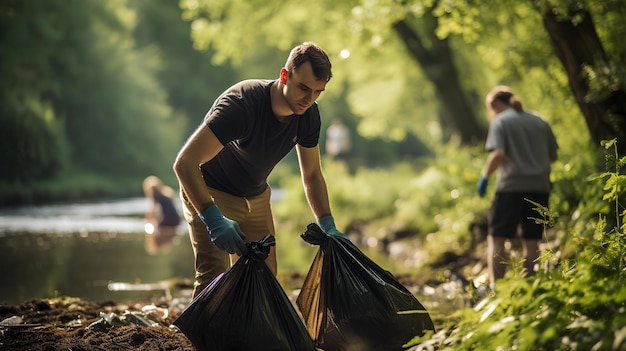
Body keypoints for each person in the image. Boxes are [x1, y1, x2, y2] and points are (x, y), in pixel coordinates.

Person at [173, 42, 348, 297]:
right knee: (214, 278)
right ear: (284, 75)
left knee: (262, 279)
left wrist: (328, 224)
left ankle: (245, 336)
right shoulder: (242, 104)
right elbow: (185, 162)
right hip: (210, 189)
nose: (309, 99)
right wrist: (212, 218)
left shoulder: (309, 116)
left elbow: (311, 174)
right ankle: (201, 337)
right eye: (303, 88)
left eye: (318, 92)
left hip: (256, 195)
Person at [477, 85, 558, 291]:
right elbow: (553, 157)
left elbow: (498, 154)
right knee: (532, 242)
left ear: (495, 104)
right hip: (540, 188)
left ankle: (498, 291)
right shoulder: (539, 120)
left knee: (497, 239)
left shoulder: (500, 121)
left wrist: (485, 177)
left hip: (510, 188)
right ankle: (530, 289)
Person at [143, 176, 181, 255]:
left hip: (167, 220)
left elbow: (152, 211)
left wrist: (147, 221)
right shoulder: (165, 194)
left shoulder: (155, 195)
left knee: (153, 226)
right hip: (176, 220)